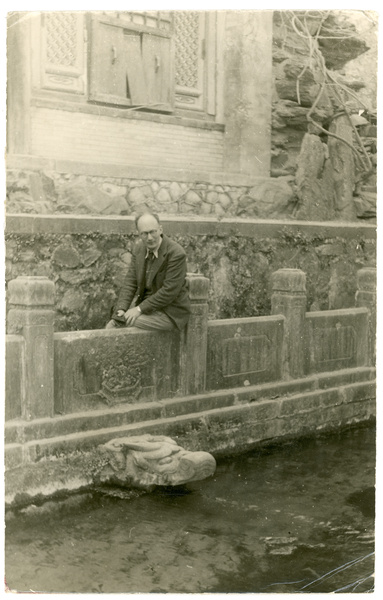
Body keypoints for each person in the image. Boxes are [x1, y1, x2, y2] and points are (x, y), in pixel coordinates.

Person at [106, 213, 191, 331]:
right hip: (148, 310)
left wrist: (138, 309)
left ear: (160, 229)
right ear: (139, 234)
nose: (150, 238)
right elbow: (131, 282)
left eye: (153, 232)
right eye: (145, 233)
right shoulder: (139, 249)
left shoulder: (176, 253)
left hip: (170, 313)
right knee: (115, 321)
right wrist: (122, 308)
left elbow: (169, 291)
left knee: (121, 323)